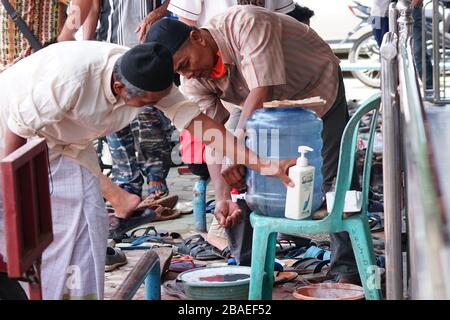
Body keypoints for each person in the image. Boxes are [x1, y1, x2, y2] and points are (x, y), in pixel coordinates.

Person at [0, 41, 294, 299]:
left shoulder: (148, 75)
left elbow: (204, 128)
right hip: (13, 140)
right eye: (148, 103)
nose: (155, 107)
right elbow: (15, 145)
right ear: (119, 88)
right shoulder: (68, 84)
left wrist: (265, 165)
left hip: (66, 145)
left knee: (88, 225)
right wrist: (15, 203)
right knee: (21, 234)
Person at [146, 6, 362, 284]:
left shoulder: (246, 23)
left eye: (184, 64)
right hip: (249, 102)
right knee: (236, 177)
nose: (187, 75)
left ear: (197, 37)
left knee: (334, 177)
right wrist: (223, 197)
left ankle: (347, 269)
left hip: (315, 90)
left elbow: (263, 89)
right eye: (179, 72)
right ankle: (252, 270)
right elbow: (212, 137)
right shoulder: (194, 80)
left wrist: (237, 149)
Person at [79, 0, 177, 221]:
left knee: (149, 121)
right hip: (111, 50)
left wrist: (159, 13)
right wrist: (86, 46)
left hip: (148, 51)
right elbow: (93, 8)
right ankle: (127, 189)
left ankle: (156, 186)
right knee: (114, 122)